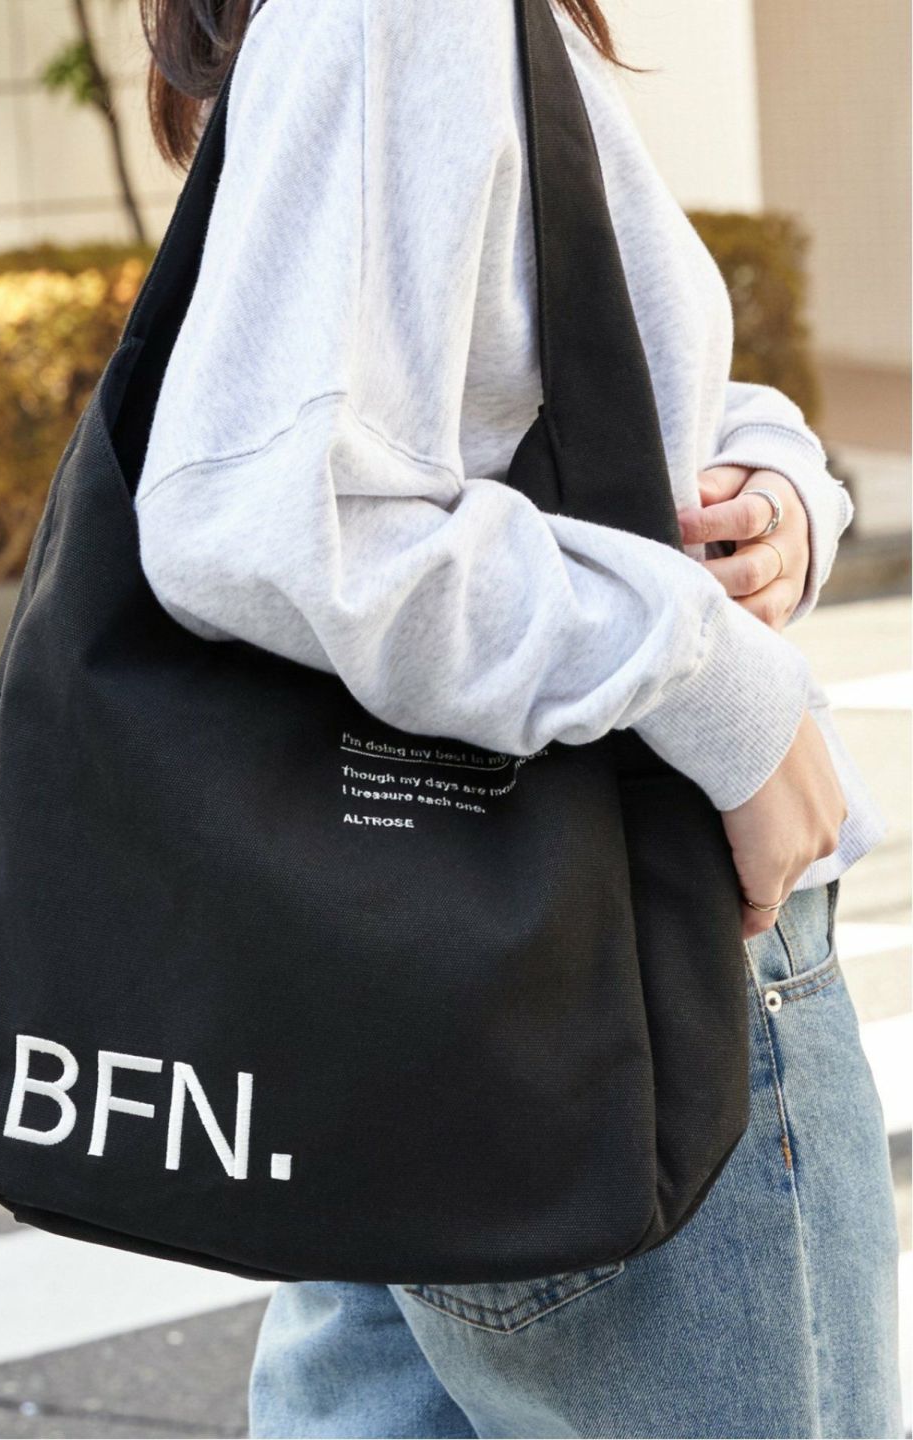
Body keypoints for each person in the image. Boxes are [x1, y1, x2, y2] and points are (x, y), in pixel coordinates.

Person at [131, 0, 902, 1434]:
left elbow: (517, 397)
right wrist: (724, 690)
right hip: (620, 971)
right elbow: (259, 517)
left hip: (423, 961)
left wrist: (775, 483)